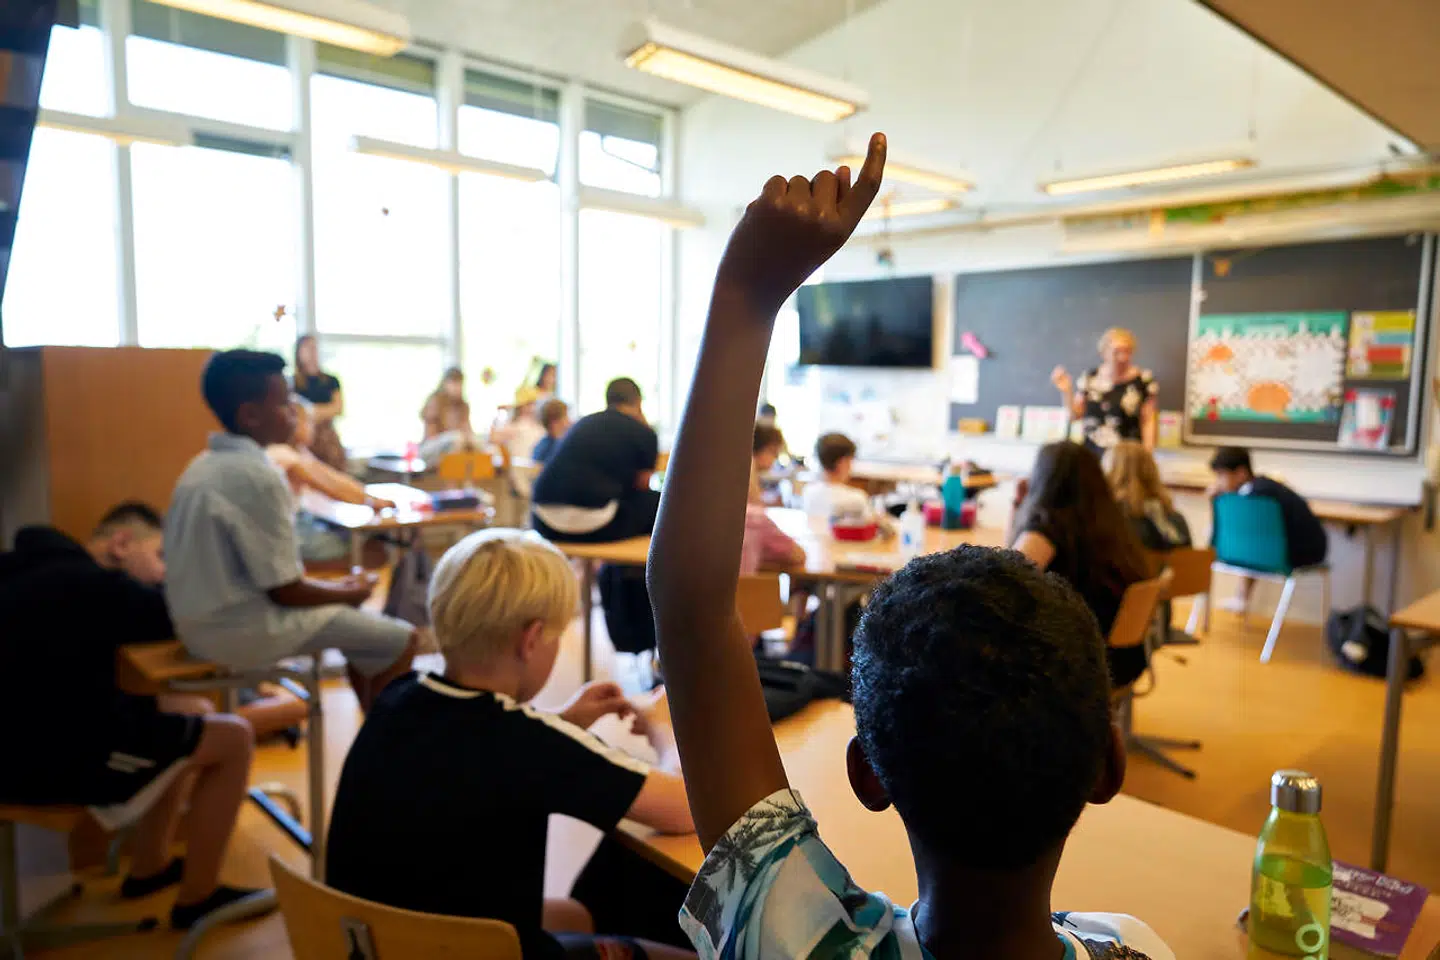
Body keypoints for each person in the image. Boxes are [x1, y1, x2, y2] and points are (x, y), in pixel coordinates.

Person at [645, 134, 1174, 960]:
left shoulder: (796, 940)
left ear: (868, 775)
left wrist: (746, 298)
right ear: (1109, 764)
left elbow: (691, 612)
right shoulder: (1136, 948)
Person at [325, 529, 694, 960]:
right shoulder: (530, 743)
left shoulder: (398, 697)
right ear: (531, 639)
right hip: (481, 952)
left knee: (596, 899)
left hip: (380, 946)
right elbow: (685, 809)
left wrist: (563, 722)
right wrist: (664, 728)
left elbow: (474, 753)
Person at [0, 503, 270, 930]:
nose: (163, 571)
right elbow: (182, 619)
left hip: (23, 741)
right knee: (233, 737)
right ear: (121, 544)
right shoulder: (89, 585)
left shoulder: (21, 569)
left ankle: (150, 867)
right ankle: (198, 900)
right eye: (160, 556)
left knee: (187, 713)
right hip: (43, 763)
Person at [166, 350, 420, 712]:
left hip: (195, 626)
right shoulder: (257, 474)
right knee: (400, 639)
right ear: (250, 415)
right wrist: (348, 592)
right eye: (285, 404)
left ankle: (374, 733)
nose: (294, 413)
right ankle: (385, 740)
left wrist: (340, 591)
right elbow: (286, 591)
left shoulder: (202, 465)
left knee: (366, 639)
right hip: (237, 632)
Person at [1011, 441, 1152, 687]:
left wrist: (1018, 508)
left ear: (1043, 480)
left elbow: (1003, 576)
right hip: (1124, 658)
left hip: (1082, 667)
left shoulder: (1047, 528)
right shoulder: (1112, 523)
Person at [530, 377, 659, 543]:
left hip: (543, 522)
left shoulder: (581, 423)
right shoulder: (643, 432)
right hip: (596, 524)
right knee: (656, 502)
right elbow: (643, 484)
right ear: (639, 402)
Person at [268, 395, 396, 563]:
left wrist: (369, 497)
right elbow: (331, 486)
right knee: (371, 547)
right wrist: (371, 501)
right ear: (292, 423)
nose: (313, 428)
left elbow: (332, 477)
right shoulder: (281, 454)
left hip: (302, 522)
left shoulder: (299, 452)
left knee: (373, 542)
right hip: (293, 530)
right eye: (308, 422)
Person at [1208, 446, 1328, 608]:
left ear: (1241, 473)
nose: (1218, 482)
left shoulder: (1254, 497)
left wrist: (1214, 502)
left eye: (1221, 475)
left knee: (1253, 544)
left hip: (1302, 553)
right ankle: (1242, 597)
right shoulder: (1261, 490)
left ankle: (1242, 598)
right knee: (1253, 544)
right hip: (1280, 552)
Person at [1051, 327, 1158, 455]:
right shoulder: (1090, 379)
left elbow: (1148, 420)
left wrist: (1148, 454)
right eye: (1116, 352)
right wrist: (1067, 391)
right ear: (1104, 353)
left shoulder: (1144, 381)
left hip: (1126, 457)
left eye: (1127, 352)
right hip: (1092, 454)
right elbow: (1074, 416)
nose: (1123, 357)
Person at [1104, 441, 1192, 551]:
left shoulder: (1105, 521)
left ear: (1110, 474)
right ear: (1153, 472)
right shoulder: (1176, 520)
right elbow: (1188, 558)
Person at [291, 334, 346, 470]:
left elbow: (338, 409)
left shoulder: (331, 380)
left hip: (328, 440)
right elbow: (295, 412)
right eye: (308, 348)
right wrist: (322, 410)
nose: (312, 352)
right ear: (299, 351)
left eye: (314, 348)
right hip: (305, 442)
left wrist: (308, 411)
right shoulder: (291, 382)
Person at [801, 432, 875, 524]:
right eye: (850, 460)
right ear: (843, 462)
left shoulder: (808, 491)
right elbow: (870, 524)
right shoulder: (857, 498)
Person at [419, 367, 478, 460]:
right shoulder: (435, 401)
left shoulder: (463, 406)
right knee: (457, 438)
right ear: (445, 384)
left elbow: (467, 430)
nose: (457, 388)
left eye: (459, 384)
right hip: (430, 448)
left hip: (454, 443)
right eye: (453, 383)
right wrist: (453, 435)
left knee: (475, 441)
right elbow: (431, 436)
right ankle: (450, 466)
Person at [533, 398, 571, 465]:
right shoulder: (553, 448)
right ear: (554, 422)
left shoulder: (542, 444)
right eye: (566, 416)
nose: (569, 420)